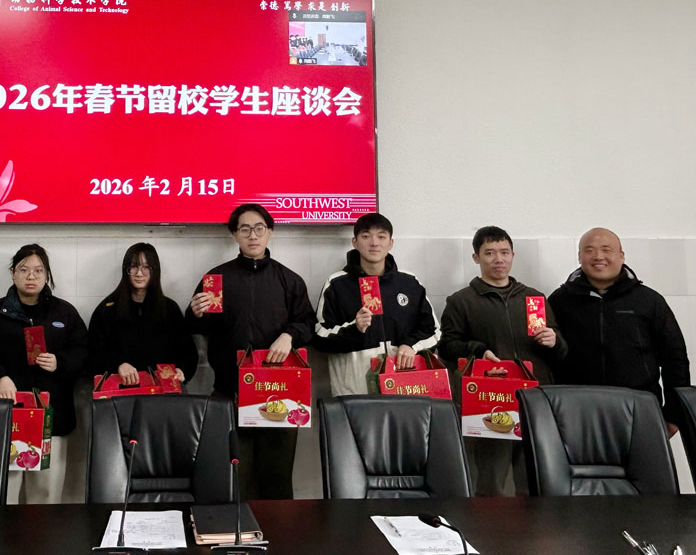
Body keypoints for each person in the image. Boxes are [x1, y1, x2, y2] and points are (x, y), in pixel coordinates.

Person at [186, 204, 315, 500]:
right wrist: (195, 312)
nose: (252, 235)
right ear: (234, 235)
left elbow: (308, 323)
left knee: (277, 478)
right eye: (244, 229)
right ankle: (235, 528)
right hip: (229, 391)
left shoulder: (289, 280)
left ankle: (279, 529)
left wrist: (289, 335)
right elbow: (198, 327)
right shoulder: (216, 279)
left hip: (280, 393)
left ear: (270, 232)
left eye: (259, 229)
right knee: (234, 477)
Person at [439, 225, 567, 497]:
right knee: (491, 481)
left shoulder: (534, 298)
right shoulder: (461, 301)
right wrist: (478, 350)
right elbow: (447, 348)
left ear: (513, 255)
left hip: (534, 399)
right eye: (489, 253)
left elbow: (560, 351)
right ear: (476, 257)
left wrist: (554, 340)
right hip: (490, 402)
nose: (498, 259)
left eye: (504, 252)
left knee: (535, 478)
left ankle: (537, 525)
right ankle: (488, 524)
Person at [0, 243, 87, 504]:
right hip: (7, 418)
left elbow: (85, 352)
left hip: (51, 419)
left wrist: (60, 362)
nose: (31, 276)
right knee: (4, 493)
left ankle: (42, 534)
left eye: (38, 270)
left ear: (47, 275)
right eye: (23, 270)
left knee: (45, 496)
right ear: (12, 273)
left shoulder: (64, 313)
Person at [549, 227, 690, 435]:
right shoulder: (559, 301)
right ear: (579, 257)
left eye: (606, 250)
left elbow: (674, 358)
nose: (598, 256)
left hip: (639, 409)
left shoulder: (649, 301)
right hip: (577, 413)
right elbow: (549, 358)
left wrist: (674, 415)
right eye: (589, 250)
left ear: (622, 256)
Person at [313, 213, 439, 396]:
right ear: (355, 242)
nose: (374, 243)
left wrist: (411, 346)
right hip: (353, 393)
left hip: (403, 388)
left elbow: (433, 331)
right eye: (366, 236)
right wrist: (354, 329)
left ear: (391, 243)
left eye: (381, 236)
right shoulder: (337, 284)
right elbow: (319, 337)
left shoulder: (409, 282)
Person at [88, 242, 198, 385]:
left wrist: (182, 370)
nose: (139, 273)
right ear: (126, 270)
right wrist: (117, 365)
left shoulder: (169, 309)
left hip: (162, 391)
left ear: (155, 270)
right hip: (120, 391)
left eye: (146, 267)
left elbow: (187, 351)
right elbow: (92, 354)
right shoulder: (107, 309)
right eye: (133, 267)